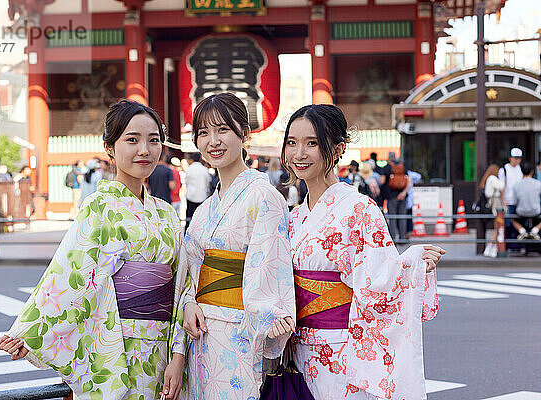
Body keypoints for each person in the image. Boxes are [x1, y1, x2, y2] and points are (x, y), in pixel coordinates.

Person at [0, 100, 187, 400]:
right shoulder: (99, 207)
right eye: (132, 140)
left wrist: (178, 355)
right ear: (109, 147)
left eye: (154, 140)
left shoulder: (166, 214)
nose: (144, 150)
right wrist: (31, 333)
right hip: (116, 343)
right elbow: (72, 275)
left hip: (161, 347)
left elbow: (180, 288)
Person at [281, 104, 444, 400]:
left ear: (338, 148)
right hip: (297, 350)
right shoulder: (293, 216)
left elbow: (379, 282)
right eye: (292, 143)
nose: (298, 153)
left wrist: (412, 264)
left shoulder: (359, 209)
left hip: (341, 348)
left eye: (312, 143)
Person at [182, 92, 296, 400]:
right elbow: (191, 268)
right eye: (203, 133)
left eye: (222, 130)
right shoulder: (205, 208)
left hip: (240, 332)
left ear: (243, 133)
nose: (213, 141)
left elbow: (269, 264)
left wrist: (267, 317)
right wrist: (189, 303)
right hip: (201, 331)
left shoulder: (264, 195)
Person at [379, 152, 411, 241]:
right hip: (403, 196)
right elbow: (409, 180)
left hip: (391, 196)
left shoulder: (386, 167)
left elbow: (382, 181)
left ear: (388, 158)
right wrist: (404, 192)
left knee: (392, 217)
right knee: (402, 217)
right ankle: (402, 238)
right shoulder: (402, 166)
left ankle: (393, 239)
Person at [511, 162, 541, 240]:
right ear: (532, 171)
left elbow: (514, 201)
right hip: (535, 211)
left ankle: (522, 231)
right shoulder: (538, 184)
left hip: (521, 212)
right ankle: (535, 230)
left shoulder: (516, 185)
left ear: (521, 171)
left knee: (512, 219)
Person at [481, 164, 505, 257]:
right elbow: (501, 186)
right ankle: (490, 248)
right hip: (496, 204)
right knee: (498, 227)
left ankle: (491, 248)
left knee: (497, 227)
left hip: (492, 203)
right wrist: (503, 179)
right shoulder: (492, 178)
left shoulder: (489, 179)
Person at [184, 152, 211, 229]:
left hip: (191, 195)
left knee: (189, 215)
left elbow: (186, 182)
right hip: (202, 196)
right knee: (200, 218)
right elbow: (208, 182)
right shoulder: (205, 169)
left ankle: (187, 231)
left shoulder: (189, 169)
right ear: (200, 159)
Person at [498, 147, 523, 226]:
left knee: (519, 223)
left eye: (519, 158)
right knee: (508, 224)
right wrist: (503, 201)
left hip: (519, 202)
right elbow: (502, 187)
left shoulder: (521, 169)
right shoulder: (504, 169)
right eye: (515, 158)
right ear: (510, 158)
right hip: (508, 201)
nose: (517, 160)